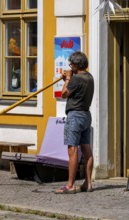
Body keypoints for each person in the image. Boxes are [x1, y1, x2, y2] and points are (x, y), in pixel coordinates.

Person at [55, 51, 94, 194]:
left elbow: (64, 94)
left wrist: (67, 79)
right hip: (86, 115)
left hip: (75, 116)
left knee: (72, 150)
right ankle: (88, 183)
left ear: (76, 65)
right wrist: (70, 79)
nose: (70, 66)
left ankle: (70, 185)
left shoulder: (76, 79)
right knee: (86, 149)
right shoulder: (89, 77)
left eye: (71, 64)